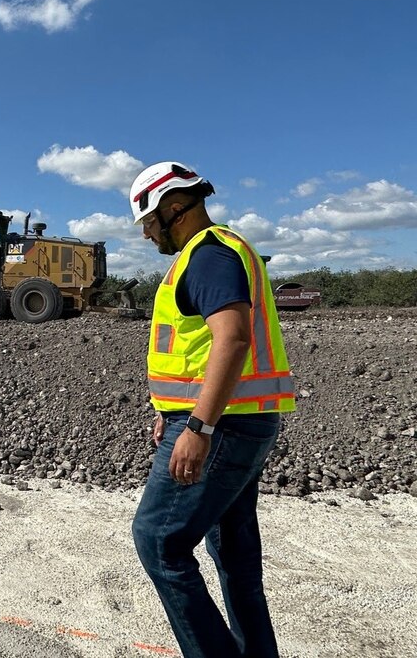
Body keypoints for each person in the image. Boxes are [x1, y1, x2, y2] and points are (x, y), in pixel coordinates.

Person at [128, 162, 296, 658]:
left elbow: (233, 339)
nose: (145, 235)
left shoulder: (208, 257)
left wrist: (197, 425)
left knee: (159, 540)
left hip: (220, 425)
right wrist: (169, 408)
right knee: (235, 554)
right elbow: (197, 349)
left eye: (147, 223)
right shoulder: (221, 251)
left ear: (173, 210)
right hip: (240, 420)